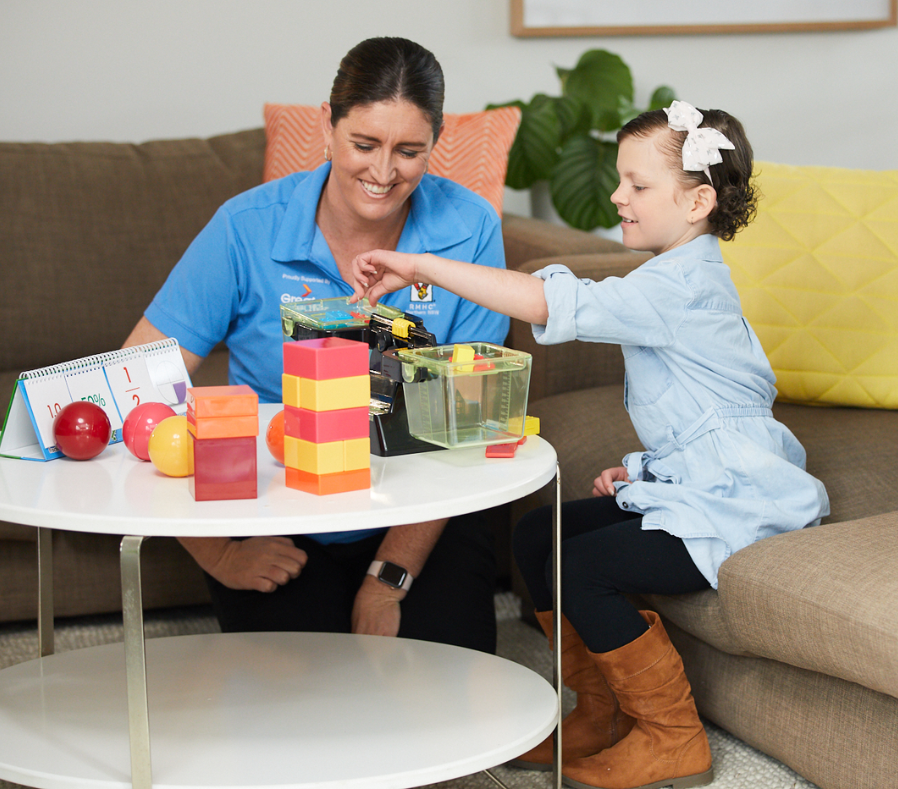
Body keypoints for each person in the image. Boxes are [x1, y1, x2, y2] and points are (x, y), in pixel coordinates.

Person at [350, 101, 830, 789]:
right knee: (539, 536)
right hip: (700, 480)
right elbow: (705, 412)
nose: (616, 196)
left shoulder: (680, 287)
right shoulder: (674, 277)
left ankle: (672, 735)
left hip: (737, 502)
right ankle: (598, 710)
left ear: (696, 200)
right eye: (619, 180)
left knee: (582, 566)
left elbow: (550, 302)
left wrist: (419, 263)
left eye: (637, 185)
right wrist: (649, 470)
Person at [123, 36, 507, 654]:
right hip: (282, 512)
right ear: (326, 126)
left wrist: (389, 578)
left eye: (409, 151)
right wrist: (219, 554)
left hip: (421, 505)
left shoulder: (469, 229)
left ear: (436, 142)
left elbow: (468, 421)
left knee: (446, 694)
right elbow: (135, 388)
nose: (383, 173)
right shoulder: (245, 227)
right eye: (364, 144)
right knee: (305, 711)